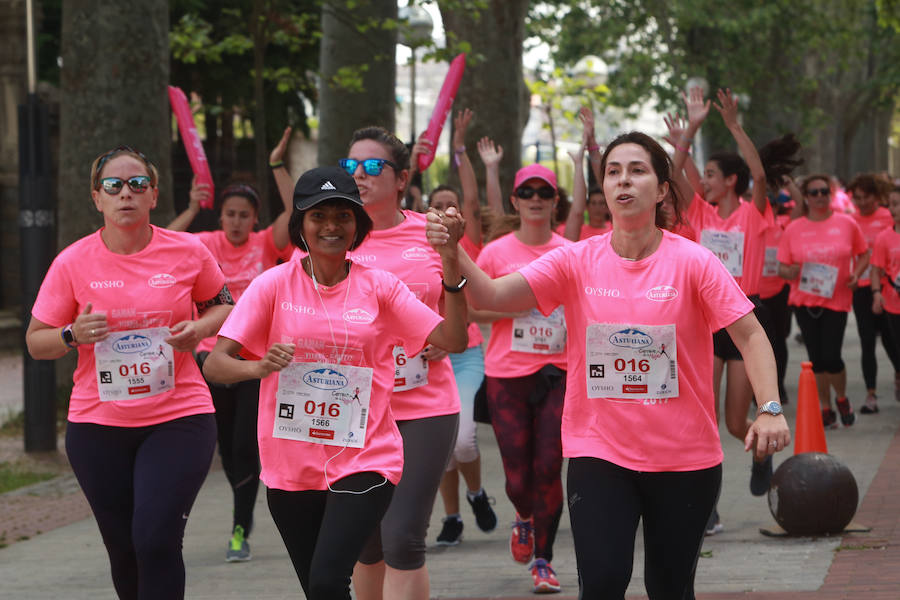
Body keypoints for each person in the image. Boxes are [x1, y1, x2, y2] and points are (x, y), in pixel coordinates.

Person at [427, 131, 790, 600]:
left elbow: (750, 334)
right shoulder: (576, 261)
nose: (623, 181)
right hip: (600, 454)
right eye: (614, 171)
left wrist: (770, 407)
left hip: (684, 458)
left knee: (670, 588)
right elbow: (493, 295)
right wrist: (452, 251)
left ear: (661, 189)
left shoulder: (694, 262)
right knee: (600, 584)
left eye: (638, 170)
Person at [202, 166, 467, 599]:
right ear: (300, 225)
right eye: (318, 216)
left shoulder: (379, 286)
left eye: (343, 216)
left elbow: (453, 339)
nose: (331, 226)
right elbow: (216, 363)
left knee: (329, 580)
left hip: (366, 457)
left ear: (357, 224)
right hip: (291, 466)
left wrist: (451, 261)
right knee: (318, 589)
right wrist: (258, 367)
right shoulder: (273, 285)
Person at [25, 145, 234, 599]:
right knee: (124, 549)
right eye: (113, 185)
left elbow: (224, 307)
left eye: (138, 184)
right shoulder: (73, 262)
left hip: (179, 416)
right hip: (97, 425)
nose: (126, 193)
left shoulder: (187, 249)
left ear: (154, 195)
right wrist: (71, 334)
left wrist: (198, 327)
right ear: (96, 199)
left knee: (155, 538)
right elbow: (36, 342)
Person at [670, 89, 800, 529]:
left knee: (731, 420)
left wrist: (732, 125)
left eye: (709, 173)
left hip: (744, 316)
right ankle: (708, 506)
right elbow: (674, 173)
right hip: (703, 319)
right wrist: (689, 128)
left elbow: (760, 176)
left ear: (729, 180)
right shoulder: (701, 215)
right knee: (702, 416)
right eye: (701, 173)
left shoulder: (752, 213)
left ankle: (761, 448)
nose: (702, 179)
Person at [341, 127, 462, 600]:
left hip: (425, 405)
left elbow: (468, 295)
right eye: (350, 165)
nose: (358, 175)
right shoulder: (331, 234)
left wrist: (445, 335)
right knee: (366, 543)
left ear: (402, 178)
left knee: (402, 537)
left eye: (372, 167)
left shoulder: (428, 231)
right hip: (358, 408)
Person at [166, 127, 295, 561]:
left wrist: (278, 165)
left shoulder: (265, 245)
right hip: (211, 361)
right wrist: (189, 208)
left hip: (254, 362)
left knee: (245, 447)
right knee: (225, 449)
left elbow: (297, 211)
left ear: (254, 219)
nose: (237, 221)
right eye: (230, 214)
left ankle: (241, 527)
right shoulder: (204, 245)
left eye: (244, 214)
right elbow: (161, 244)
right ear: (220, 218)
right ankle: (242, 517)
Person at [473, 161, 571, 594]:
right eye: (527, 192)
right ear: (514, 201)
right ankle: (524, 516)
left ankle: (544, 560)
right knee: (517, 476)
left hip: (558, 372)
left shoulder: (570, 251)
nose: (535, 199)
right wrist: (515, 308)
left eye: (544, 193)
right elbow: (471, 308)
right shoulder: (496, 253)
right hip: (507, 373)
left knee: (549, 466)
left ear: (554, 202)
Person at [429, 110, 498, 546]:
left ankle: (476, 493)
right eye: (436, 206)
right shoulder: (411, 246)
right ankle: (452, 516)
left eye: (450, 206)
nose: (445, 211)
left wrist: (458, 145)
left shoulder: (464, 242)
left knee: (465, 440)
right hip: (426, 360)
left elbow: (472, 199)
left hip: (467, 355)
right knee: (441, 449)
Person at [777, 174, 869, 428]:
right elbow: (782, 267)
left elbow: (864, 254)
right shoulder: (794, 229)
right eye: (814, 192)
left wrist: (856, 275)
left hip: (836, 299)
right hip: (804, 301)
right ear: (805, 198)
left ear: (831, 195)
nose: (820, 197)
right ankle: (825, 407)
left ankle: (841, 398)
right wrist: (790, 272)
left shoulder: (846, 223)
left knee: (832, 356)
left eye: (824, 192)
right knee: (816, 358)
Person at [847, 173, 900, 412]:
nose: (861, 202)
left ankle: (898, 374)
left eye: (866, 197)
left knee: (891, 341)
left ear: (877, 197)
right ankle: (871, 395)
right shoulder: (850, 221)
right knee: (867, 340)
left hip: (890, 290)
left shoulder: (888, 216)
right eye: (857, 198)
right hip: (863, 288)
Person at [562, 107, 611, 242]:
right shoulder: (573, 229)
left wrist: (592, 144)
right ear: (587, 207)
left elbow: (608, 185)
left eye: (602, 203)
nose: (597, 208)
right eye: (593, 203)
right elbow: (576, 213)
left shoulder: (616, 230)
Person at [871, 184, 900, 383]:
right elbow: (876, 269)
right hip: (893, 303)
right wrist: (876, 293)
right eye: (891, 205)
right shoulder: (884, 237)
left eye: (897, 204)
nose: (892, 209)